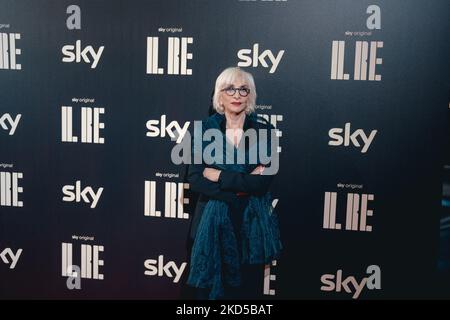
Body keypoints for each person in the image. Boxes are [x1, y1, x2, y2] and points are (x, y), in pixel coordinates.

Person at [185, 67, 282, 300]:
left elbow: (262, 183)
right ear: (220, 95)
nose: (237, 95)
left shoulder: (265, 132)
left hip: (250, 226)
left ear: (250, 95)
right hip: (209, 223)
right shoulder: (201, 130)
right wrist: (239, 189)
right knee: (207, 292)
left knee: (247, 293)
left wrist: (219, 175)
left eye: (243, 89)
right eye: (230, 89)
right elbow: (196, 179)